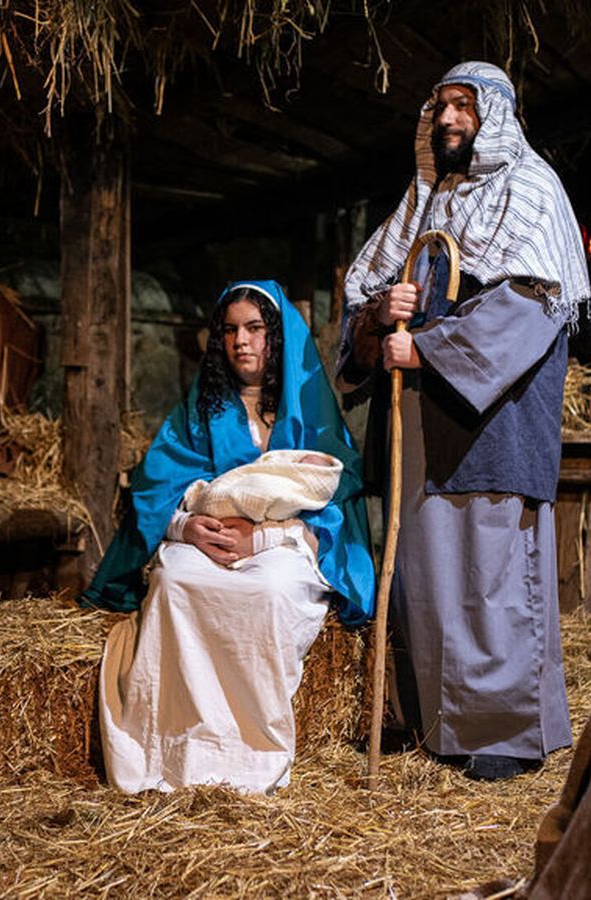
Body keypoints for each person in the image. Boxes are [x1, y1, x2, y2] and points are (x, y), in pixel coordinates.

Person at [338, 61, 590, 781]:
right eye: (441, 106)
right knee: (426, 584)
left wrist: (424, 347)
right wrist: (380, 315)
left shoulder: (530, 191)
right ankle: (429, 725)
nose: (448, 118)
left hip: (491, 425)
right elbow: (368, 303)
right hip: (419, 425)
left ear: (494, 118)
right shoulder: (424, 203)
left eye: (464, 106)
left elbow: (527, 309)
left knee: (489, 582)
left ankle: (500, 737)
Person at [81, 279, 375, 794]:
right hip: (207, 539)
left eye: (255, 328)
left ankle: (249, 751)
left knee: (271, 589)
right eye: (231, 330)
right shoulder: (203, 410)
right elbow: (156, 485)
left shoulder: (310, 410)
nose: (241, 341)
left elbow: (337, 487)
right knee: (173, 581)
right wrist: (185, 527)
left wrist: (262, 539)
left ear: (276, 337)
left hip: (283, 544)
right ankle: (177, 749)